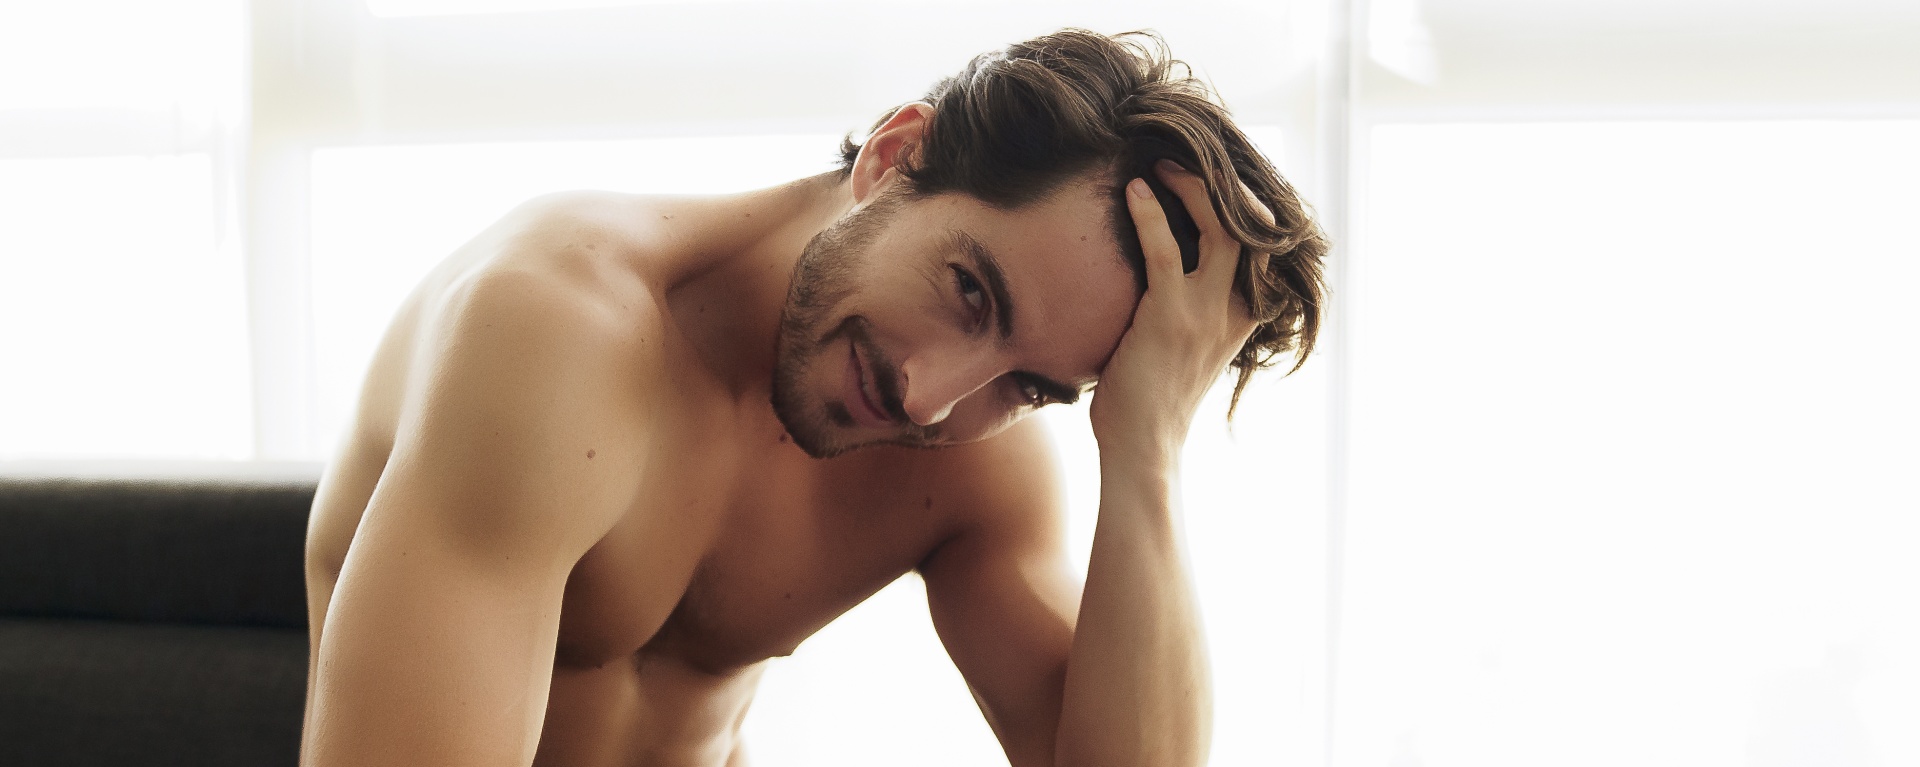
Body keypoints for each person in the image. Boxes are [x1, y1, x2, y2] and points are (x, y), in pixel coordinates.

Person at [299, 27, 1326, 767]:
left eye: (1029, 384)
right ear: (893, 158)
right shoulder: (557, 328)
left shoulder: (971, 454)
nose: (932, 400)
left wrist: (1146, 441)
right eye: (969, 292)